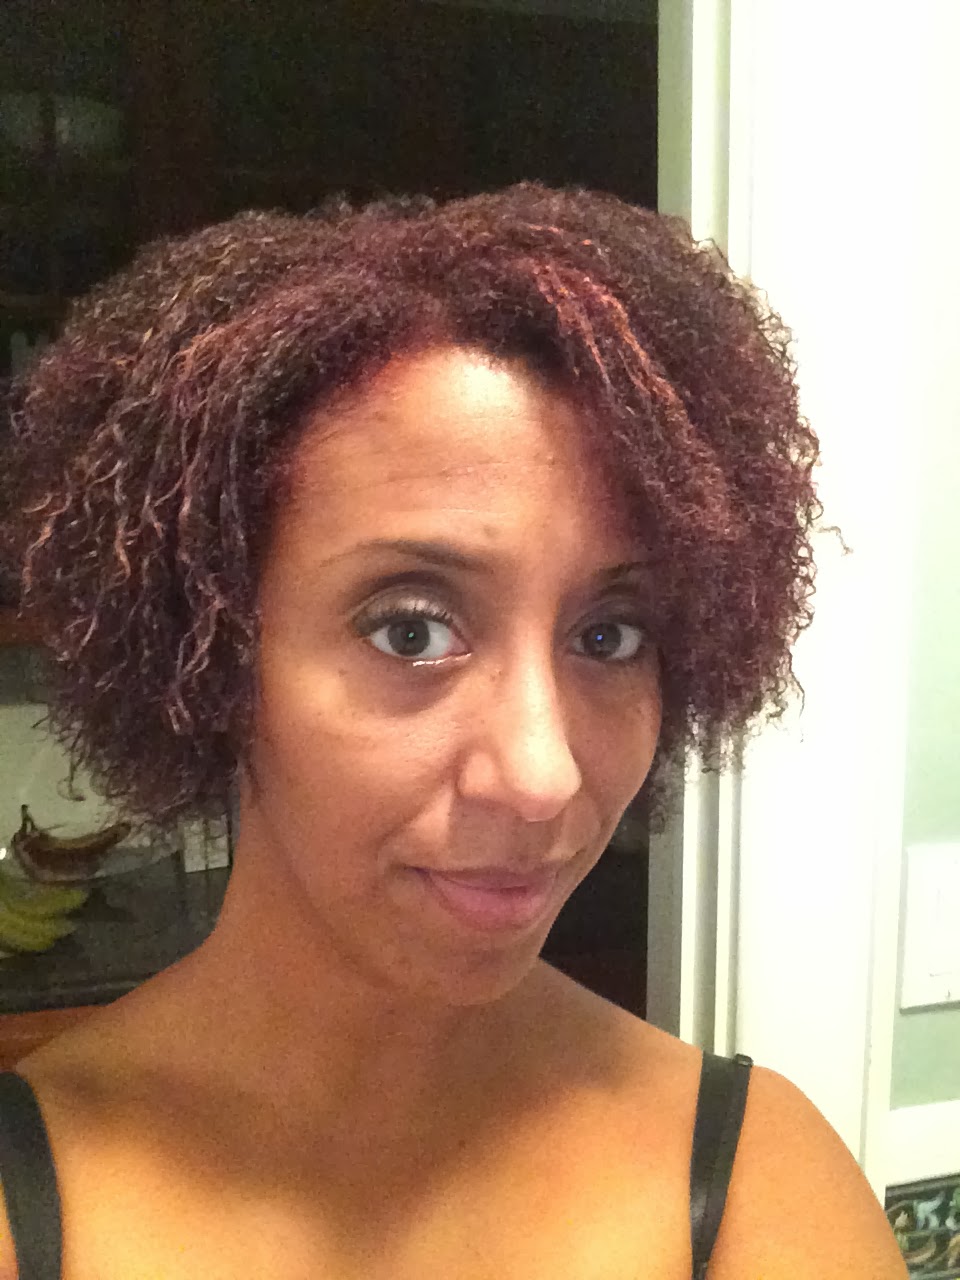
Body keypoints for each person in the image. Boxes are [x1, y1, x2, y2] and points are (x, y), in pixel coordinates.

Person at [0, 183, 906, 1278]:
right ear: (209, 648)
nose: (542, 774)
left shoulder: (748, 1182)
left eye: (610, 634)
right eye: (412, 630)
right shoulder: (30, 1202)